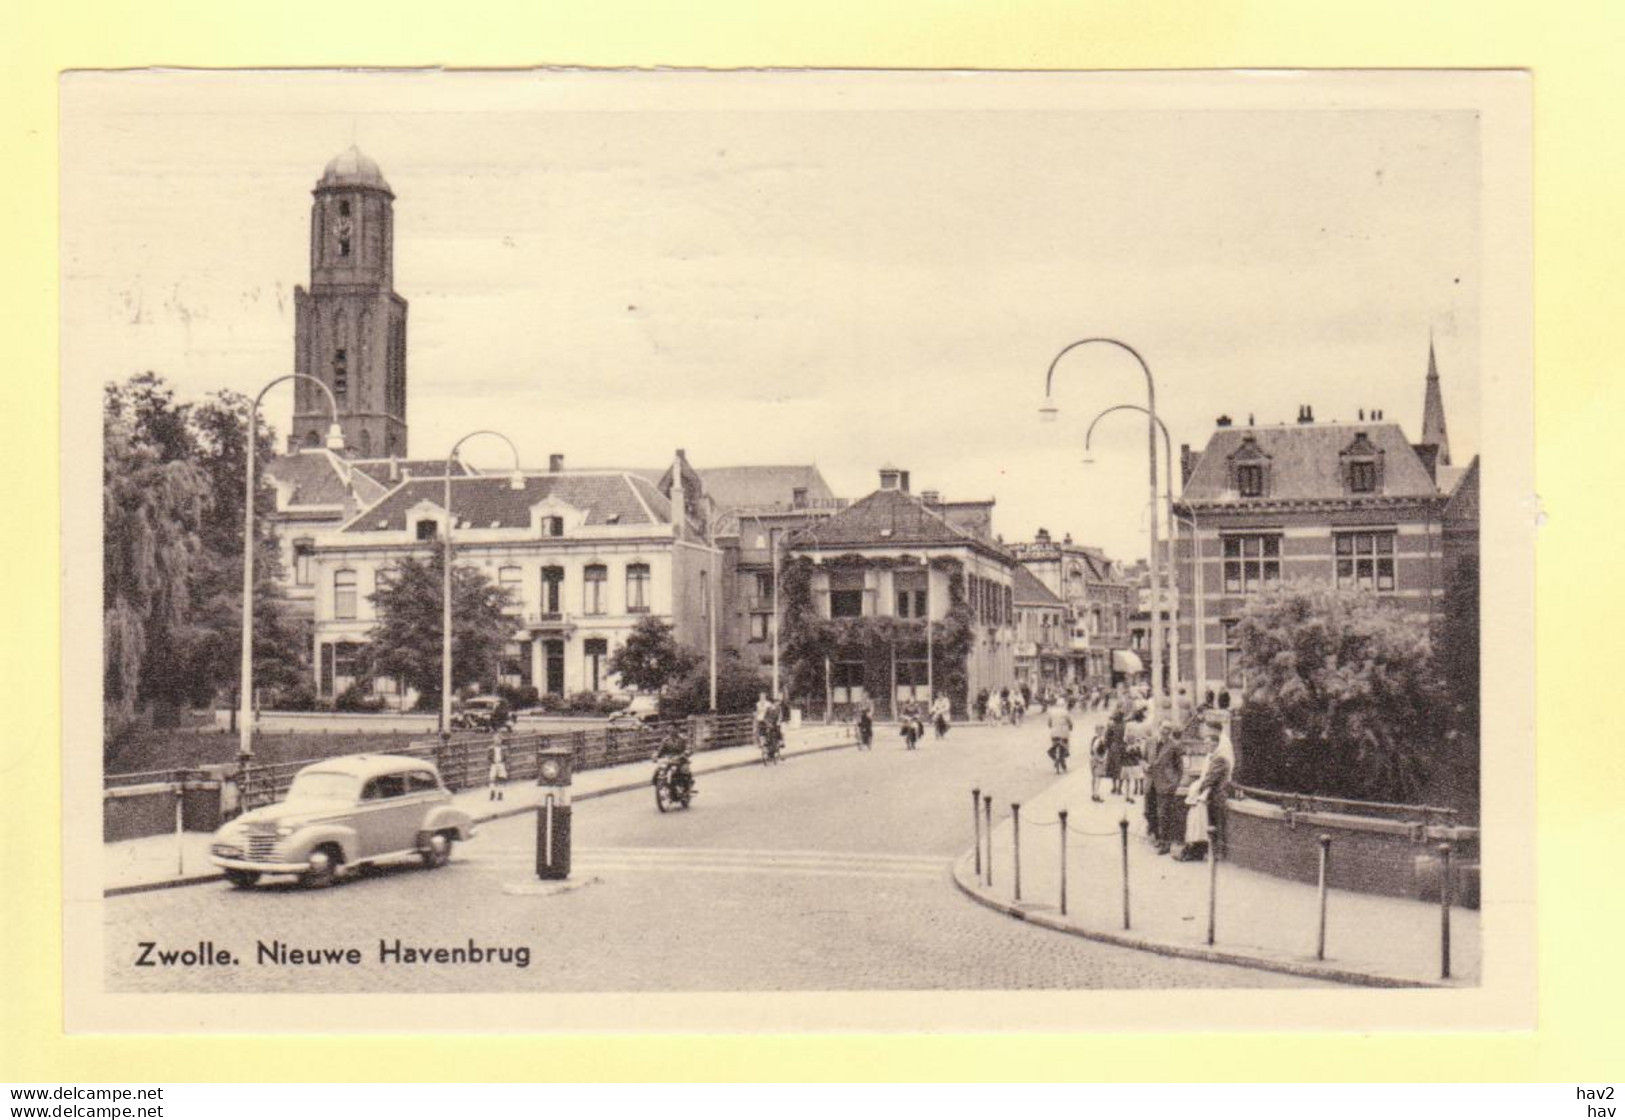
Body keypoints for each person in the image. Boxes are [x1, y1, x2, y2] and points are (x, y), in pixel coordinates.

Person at [1179, 718, 1235, 862]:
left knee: (1214, 825)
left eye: (1209, 743)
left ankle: (1217, 854)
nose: (1206, 745)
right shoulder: (1212, 756)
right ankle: (1206, 852)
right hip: (1210, 795)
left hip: (1217, 796)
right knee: (1206, 824)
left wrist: (1196, 789)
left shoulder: (1220, 758)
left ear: (1215, 744)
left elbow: (1210, 778)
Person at [1147, 727, 1185, 854]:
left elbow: (1180, 767)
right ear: (1159, 727)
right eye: (1163, 729)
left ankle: (1165, 843)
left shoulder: (1174, 746)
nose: (1165, 732)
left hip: (1165, 784)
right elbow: (1142, 758)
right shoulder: (1150, 742)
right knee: (1149, 811)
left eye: (1168, 730)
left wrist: (1175, 783)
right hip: (1150, 782)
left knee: (1163, 814)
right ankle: (1155, 836)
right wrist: (1144, 766)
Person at [653, 725, 695, 796]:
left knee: (684, 771)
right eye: (670, 729)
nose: (672, 731)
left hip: (681, 758)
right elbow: (660, 750)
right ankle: (658, 784)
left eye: (673, 729)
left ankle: (686, 788)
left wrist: (686, 753)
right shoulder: (666, 740)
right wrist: (655, 756)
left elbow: (688, 748)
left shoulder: (683, 739)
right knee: (658, 770)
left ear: (677, 730)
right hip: (669, 759)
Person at [1046, 702, 1073, 773]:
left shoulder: (1051, 712)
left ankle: (1055, 759)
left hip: (1054, 732)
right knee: (1066, 746)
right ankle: (1063, 757)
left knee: (1054, 745)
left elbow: (1049, 723)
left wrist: (1051, 726)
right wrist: (1070, 727)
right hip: (1064, 732)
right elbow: (1069, 722)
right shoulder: (1065, 712)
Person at [487, 735, 508, 801]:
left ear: (501, 740)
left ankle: (500, 793)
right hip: (493, 764)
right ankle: (492, 792)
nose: (497, 741)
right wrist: (491, 762)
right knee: (492, 778)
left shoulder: (504, 748)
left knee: (501, 779)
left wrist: (504, 762)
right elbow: (488, 757)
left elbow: (506, 756)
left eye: (499, 740)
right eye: (496, 740)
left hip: (501, 764)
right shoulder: (490, 748)